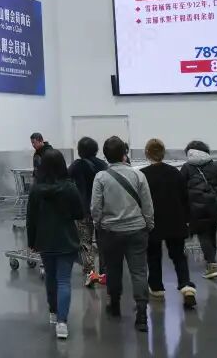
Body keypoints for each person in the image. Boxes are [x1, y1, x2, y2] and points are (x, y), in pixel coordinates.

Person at [92, 136, 154, 332]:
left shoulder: (101, 177)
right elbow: (147, 205)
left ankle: (115, 305)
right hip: (137, 230)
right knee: (139, 271)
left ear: (106, 156)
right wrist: (148, 225)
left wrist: (99, 224)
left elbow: (95, 208)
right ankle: (142, 314)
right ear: (124, 154)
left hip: (110, 232)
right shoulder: (139, 175)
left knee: (113, 269)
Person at [26, 150, 82, 340]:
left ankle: (53, 311)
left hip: (44, 240)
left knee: (50, 276)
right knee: (64, 280)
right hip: (66, 239)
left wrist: (32, 241)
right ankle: (62, 323)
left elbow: (31, 218)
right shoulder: (70, 188)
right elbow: (79, 213)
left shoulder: (36, 190)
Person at [141, 139, 196, 309]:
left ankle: (156, 287)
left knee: (153, 255)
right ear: (163, 153)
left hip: (153, 222)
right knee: (178, 256)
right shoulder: (175, 173)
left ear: (147, 154)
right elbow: (185, 198)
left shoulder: (143, 175)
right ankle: (186, 286)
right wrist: (187, 220)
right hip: (175, 221)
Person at [180, 140, 217, 280]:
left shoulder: (186, 167)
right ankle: (211, 259)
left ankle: (212, 264)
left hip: (194, 206)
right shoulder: (215, 165)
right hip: (213, 205)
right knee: (211, 232)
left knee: (203, 234)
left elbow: (180, 187)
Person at [69, 137, 107, 287]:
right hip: (102, 210)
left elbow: (66, 180)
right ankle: (104, 273)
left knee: (86, 243)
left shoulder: (76, 165)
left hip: (83, 210)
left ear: (79, 150)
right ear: (96, 149)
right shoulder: (103, 165)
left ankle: (90, 273)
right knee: (102, 242)